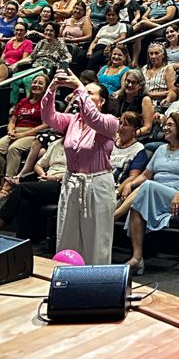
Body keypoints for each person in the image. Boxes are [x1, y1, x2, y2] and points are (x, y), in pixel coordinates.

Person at [38, 71, 121, 265]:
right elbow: (48, 116)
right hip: (72, 181)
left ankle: (96, 285)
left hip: (97, 184)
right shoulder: (73, 120)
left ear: (101, 101)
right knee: (67, 235)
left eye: (91, 92)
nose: (83, 94)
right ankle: (67, 281)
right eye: (85, 92)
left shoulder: (109, 122)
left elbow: (93, 118)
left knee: (96, 239)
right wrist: (52, 87)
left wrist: (79, 87)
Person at [114, 113, 179, 276]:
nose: (165, 127)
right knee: (138, 203)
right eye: (165, 125)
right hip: (152, 194)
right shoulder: (161, 149)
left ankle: (114, 216)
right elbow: (145, 175)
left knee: (147, 187)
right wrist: (131, 184)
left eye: (170, 125)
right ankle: (137, 258)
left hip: (175, 198)